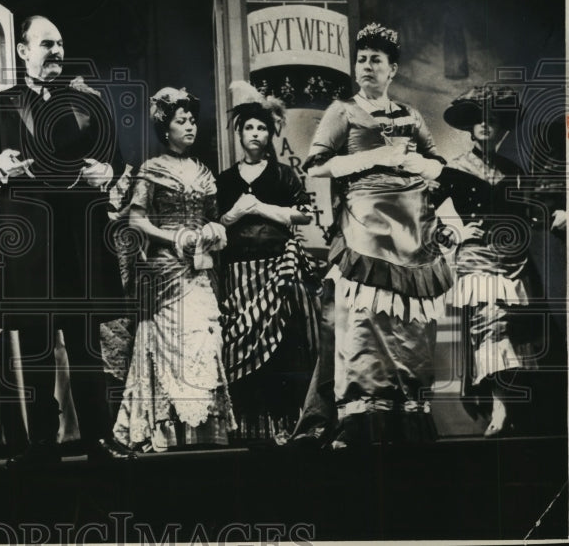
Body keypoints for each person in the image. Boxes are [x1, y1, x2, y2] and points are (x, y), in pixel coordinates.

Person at [0, 15, 135, 465]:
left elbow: (115, 161)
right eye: (46, 43)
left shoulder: (88, 103)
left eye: (60, 43)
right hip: (30, 243)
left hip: (78, 241)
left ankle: (99, 437)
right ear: (22, 51)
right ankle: (42, 444)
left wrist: (108, 170)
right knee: (37, 345)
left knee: (84, 345)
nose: (56, 51)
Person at [303, 23, 451, 446]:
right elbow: (315, 166)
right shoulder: (342, 111)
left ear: (393, 70)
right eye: (362, 59)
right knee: (365, 316)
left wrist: (413, 165)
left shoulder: (411, 115)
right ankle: (361, 419)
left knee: (409, 320)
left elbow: (438, 167)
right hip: (365, 224)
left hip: (410, 229)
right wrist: (376, 157)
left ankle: (408, 415)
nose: (367, 67)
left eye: (376, 60)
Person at [111, 88, 234, 451]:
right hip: (165, 269)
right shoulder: (152, 169)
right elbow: (136, 220)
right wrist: (173, 236)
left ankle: (201, 431)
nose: (190, 126)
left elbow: (213, 217)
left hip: (198, 269)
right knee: (168, 342)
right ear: (166, 129)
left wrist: (213, 230)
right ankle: (165, 429)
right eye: (182, 121)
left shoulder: (204, 171)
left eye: (192, 120)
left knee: (203, 337)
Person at [216, 82, 319, 444]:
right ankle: (248, 429)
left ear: (270, 132)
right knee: (239, 349)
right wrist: (232, 215)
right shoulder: (224, 181)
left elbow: (305, 217)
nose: (255, 134)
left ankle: (285, 426)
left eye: (261, 128)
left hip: (277, 270)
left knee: (282, 349)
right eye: (249, 127)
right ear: (239, 133)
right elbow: (213, 225)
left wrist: (260, 208)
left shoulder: (283, 175)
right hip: (237, 275)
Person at [439, 86, 541, 436]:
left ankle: (514, 408)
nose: (485, 124)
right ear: (470, 127)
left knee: (517, 329)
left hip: (514, 261)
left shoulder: (514, 171)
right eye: (478, 119)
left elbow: (533, 215)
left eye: (492, 119)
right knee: (490, 324)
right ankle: (499, 405)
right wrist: (454, 235)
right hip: (476, 258)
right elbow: (422, 214)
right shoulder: (453, 170)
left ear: (501, 128)